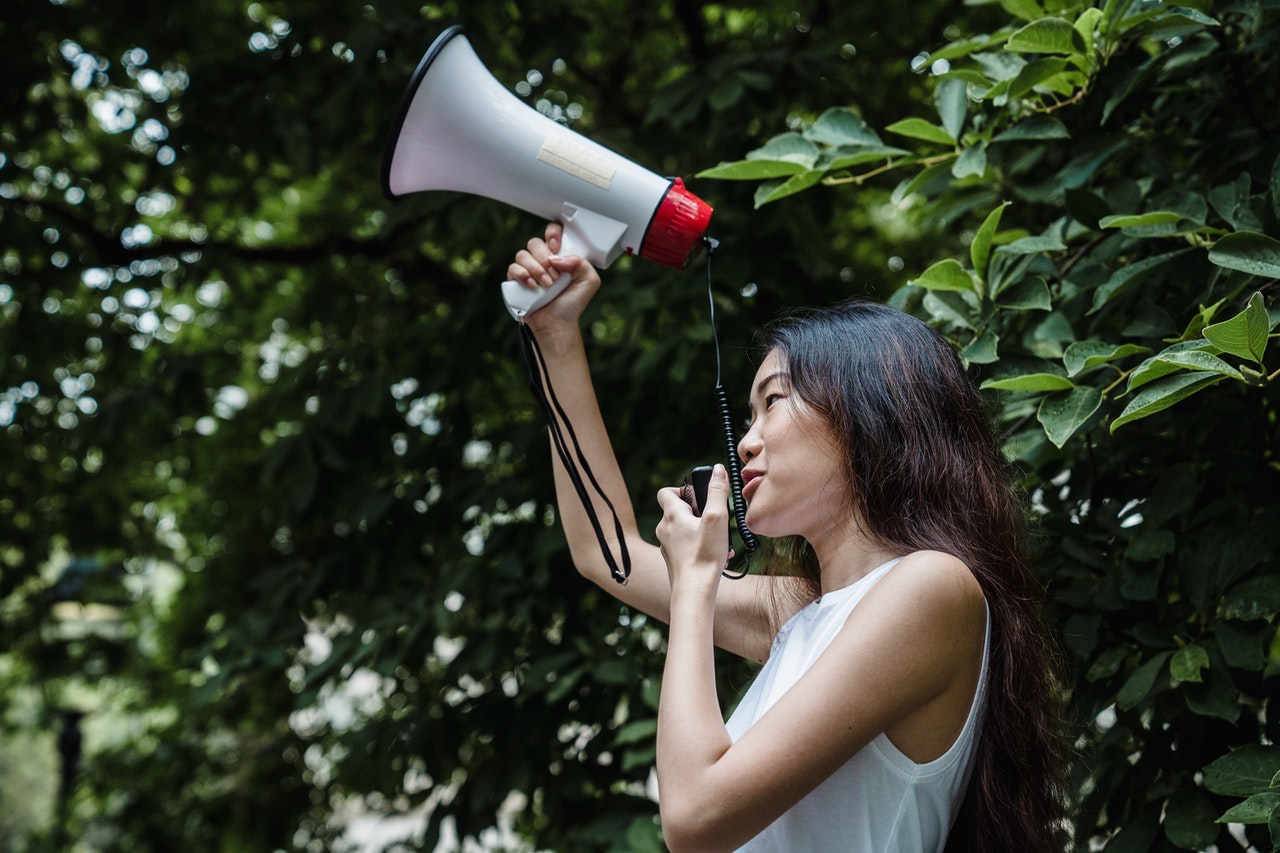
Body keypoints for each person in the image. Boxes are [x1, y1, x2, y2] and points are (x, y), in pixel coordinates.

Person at [507, 223, 1067, 853]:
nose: (746, 440)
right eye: (748, 414)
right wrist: (556, 337)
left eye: (772, 402)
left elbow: (694, 819)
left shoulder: (932, 588)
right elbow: (605, 555)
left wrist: (696, 583)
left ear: (868, 412)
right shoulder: (807, 612)